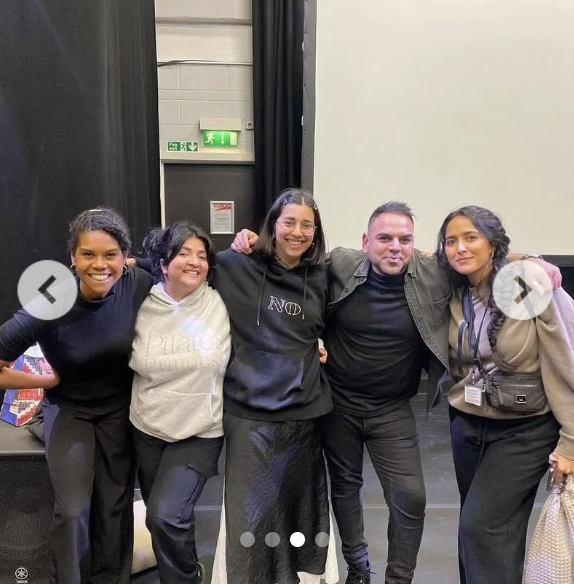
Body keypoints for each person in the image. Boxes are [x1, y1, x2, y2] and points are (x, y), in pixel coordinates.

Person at [231, 201, 561, 584]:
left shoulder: (432, 272)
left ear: (414, 244)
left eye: (405, 239)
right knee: (345, 487)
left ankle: (399, 578)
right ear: (366, 241)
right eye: (384, 238)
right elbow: (291, 260)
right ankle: (358, 568)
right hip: (338, 404)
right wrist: (253, 242)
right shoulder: (340, 264)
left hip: (392, 408)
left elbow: (481, 257)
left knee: (410, 497)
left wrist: (531, 260)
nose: (395, 247)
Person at [0, 207, 153, 584]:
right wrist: (44, 381)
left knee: (113, 508)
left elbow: (182, 267)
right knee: (72, 510)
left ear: (125, 257)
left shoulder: (137, 282)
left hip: (120, 411)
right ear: (72, 257)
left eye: (110, 254)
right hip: (69, 408)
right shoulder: (49, 302)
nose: (99, 265)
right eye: (88, 254)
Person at [436, 205, 574, 584]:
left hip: (525, 429)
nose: (460, 248)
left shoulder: (527, 283)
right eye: (451, 241)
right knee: (481, 535)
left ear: (493, 244)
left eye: (471, 238)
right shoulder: (453, 289)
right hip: (468, 425)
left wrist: (570, 441)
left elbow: (567, 363)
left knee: (482, 527)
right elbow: (400, 254)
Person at [210, 188, 337, 584]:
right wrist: (128, 263)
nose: (298, 232)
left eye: (307, 225)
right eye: (289, 222)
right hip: (249, 412)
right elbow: (183, 266)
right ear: (272, 224)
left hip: (304, 413)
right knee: (251, 513)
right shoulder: (236, 264)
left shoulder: (324, 274)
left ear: (316, 232)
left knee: (300, 508)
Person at [129, 221, 231, 584]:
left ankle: (185, 578)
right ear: (163, 262)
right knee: (165, 520)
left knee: (165, 515)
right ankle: (189, 573)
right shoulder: (141, 300)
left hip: (200, 431)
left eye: (201, 255)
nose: (194, 262)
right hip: (148, 428)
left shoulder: (221, 299)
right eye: (184, 253)